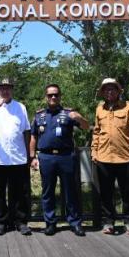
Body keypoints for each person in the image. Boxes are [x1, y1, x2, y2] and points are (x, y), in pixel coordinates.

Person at [30, 84, 89, 236]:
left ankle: (75, 223)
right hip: (46, 157)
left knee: (71, 191)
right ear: (46, 97)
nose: (53, 97)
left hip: (66, 156)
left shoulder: (69, 113)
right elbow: (33, 137)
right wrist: (32, 157)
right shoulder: (39, 116)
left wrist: (79, 117)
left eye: (56, 94)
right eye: (50, 95)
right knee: (47, 192)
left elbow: (86, 126)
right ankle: (50, 223)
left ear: (60, 96)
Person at [91, 78, 129, 235]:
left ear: (118, 91)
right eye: (106, 89)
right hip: (103, 157)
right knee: (106, 193)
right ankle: (108, 222)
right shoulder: (99, 109)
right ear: (103, 93)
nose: (109, 92)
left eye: (112, 89)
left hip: (125, 157)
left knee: (127, 193)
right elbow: (96, 132)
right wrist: (94, 151)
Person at [0, 78, 32, 236]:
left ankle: (20, 221)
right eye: (2, 88)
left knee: (20, 192)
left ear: (12, 90)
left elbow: (27, 131)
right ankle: (1, 222)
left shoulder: (20, 107)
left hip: (18, 157)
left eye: (8, 88)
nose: (5, 91)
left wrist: (30, 154)